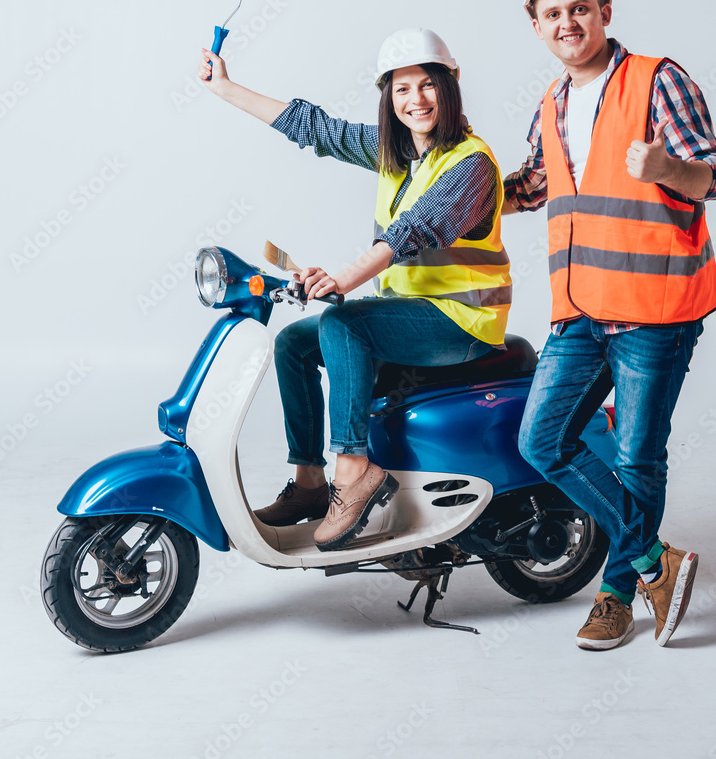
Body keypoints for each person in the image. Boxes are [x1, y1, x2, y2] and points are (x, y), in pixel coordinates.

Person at [197, 28, 511, 551]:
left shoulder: (471, 163)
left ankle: (354, 469)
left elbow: (413, 229)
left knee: (343, 323)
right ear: (388, 96)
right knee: (293, 343)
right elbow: (318, 129)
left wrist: (342, 279)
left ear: (452, 83)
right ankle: (310, 481)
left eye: (428, 85)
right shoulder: (397, 152)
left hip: (463, 321)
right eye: (402, 89)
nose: (416, 100)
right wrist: (226, 88)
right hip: (409, 311)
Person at [502, 0, 716, 649]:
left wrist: (668, 168)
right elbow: (532, 185)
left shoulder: (658, 80)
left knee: (636, 457)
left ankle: (614, 596)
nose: (567, 23)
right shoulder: (551, 103)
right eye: (552, 13)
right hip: (579, 307)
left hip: (655, 307)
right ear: (535, 26)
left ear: (605, 9)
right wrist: (458, 193)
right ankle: (655, 561)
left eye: (580, 8)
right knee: (542, 440)